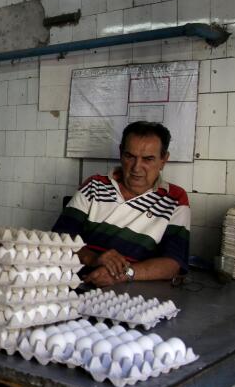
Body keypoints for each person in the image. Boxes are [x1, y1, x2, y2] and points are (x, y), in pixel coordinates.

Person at [52, 121, 190, 287]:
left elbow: (172, 264)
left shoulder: (174, 199)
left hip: (132, 294)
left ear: (163, 160)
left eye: (148, 159)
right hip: (74, 284)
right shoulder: (94, 185)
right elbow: (57, 239)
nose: (136, 168)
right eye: (129, 156)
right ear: (120, 153)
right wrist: (93, 258)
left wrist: (123, 274)